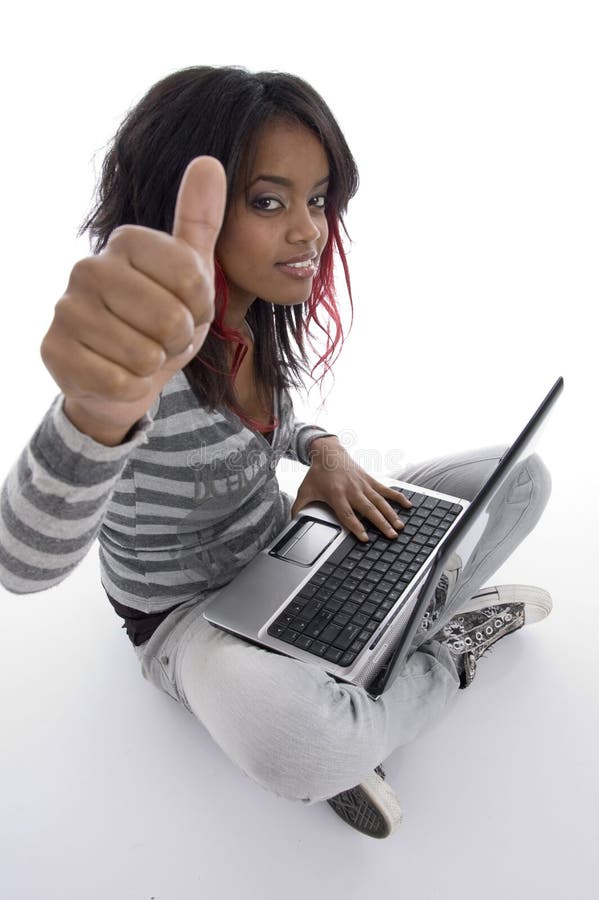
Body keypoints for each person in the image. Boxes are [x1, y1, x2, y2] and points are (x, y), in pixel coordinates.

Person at [0, 65, 552, 839]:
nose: (309, 230)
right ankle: (440, 651)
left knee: (517, 480)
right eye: (269, 201)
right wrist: (93, 416)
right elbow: (19, 565)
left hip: (290, 554)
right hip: (188, 620)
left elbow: (278, 422)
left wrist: (322, 449)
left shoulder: (255, 317)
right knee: (306, 747)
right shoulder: (144, 366)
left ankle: (362, 640)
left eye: (317, 199)